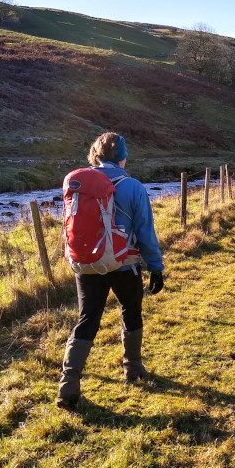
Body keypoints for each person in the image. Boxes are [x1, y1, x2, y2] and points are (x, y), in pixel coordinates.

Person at [57, 132, 165, 411]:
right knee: (131, 310)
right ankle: (133, 369)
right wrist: (156, 267)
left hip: (87, 263)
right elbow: (145, 232)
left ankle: (69, 383)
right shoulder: (132, 186)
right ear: (123, 157)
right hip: (123, 263)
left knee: (88, 317)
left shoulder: (78, 183)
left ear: (95, 155)